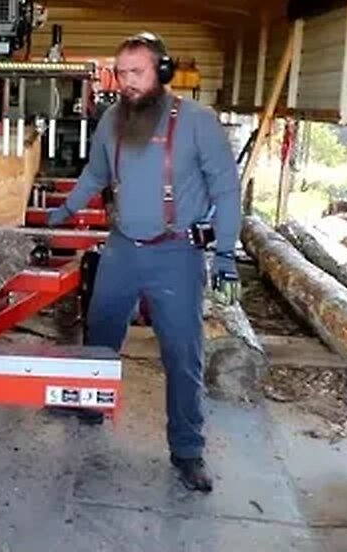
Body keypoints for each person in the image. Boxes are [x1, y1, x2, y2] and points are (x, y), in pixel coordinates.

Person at [48, 32, 242, 493]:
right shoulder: (113, 120)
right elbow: (95, 173)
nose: (127, 82)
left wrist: (226, 253)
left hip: (176, 254)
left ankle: (188, 451)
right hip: (121, 250)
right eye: (121, 73)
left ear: (163, 72)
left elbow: (227, 191)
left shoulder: (198, 122)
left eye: (137, 72)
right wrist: (64, 211)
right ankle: (90, 403)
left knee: (183, 355)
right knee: (101, 332)